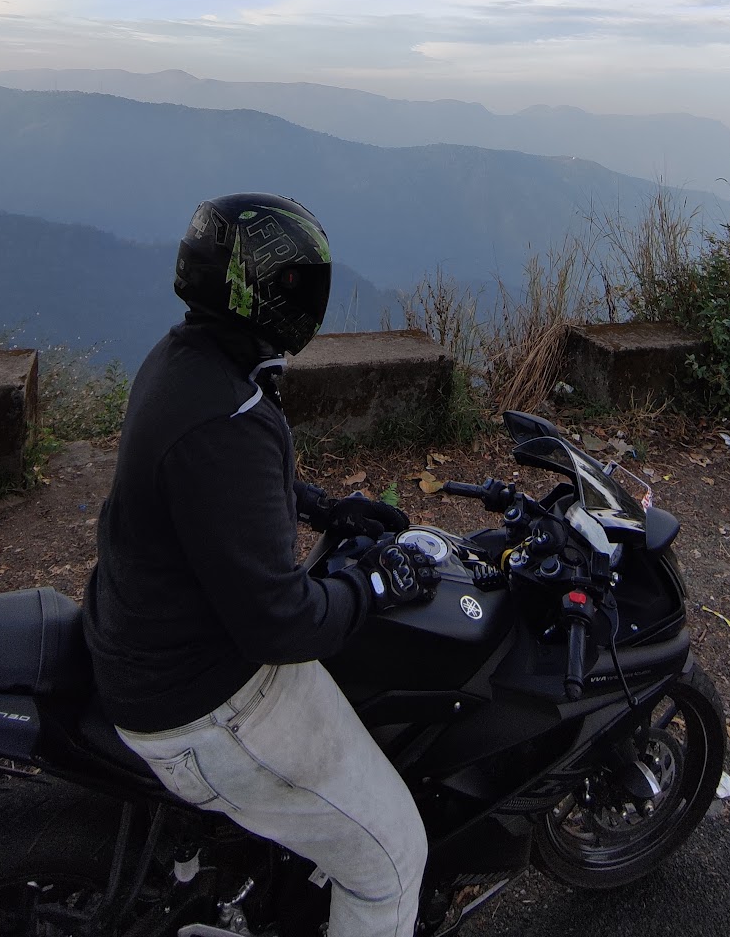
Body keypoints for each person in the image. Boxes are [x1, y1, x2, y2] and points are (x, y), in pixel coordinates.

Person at [83, 193, 437, 937]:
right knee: (393, 863)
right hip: (206, 699)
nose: (312, 300)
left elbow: (216, 494)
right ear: (260, 293)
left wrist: (321, 506)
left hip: (146, 645)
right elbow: (283, 624)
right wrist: (374, 582)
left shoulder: (186, 361)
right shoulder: (227, 418)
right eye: (299, 284)